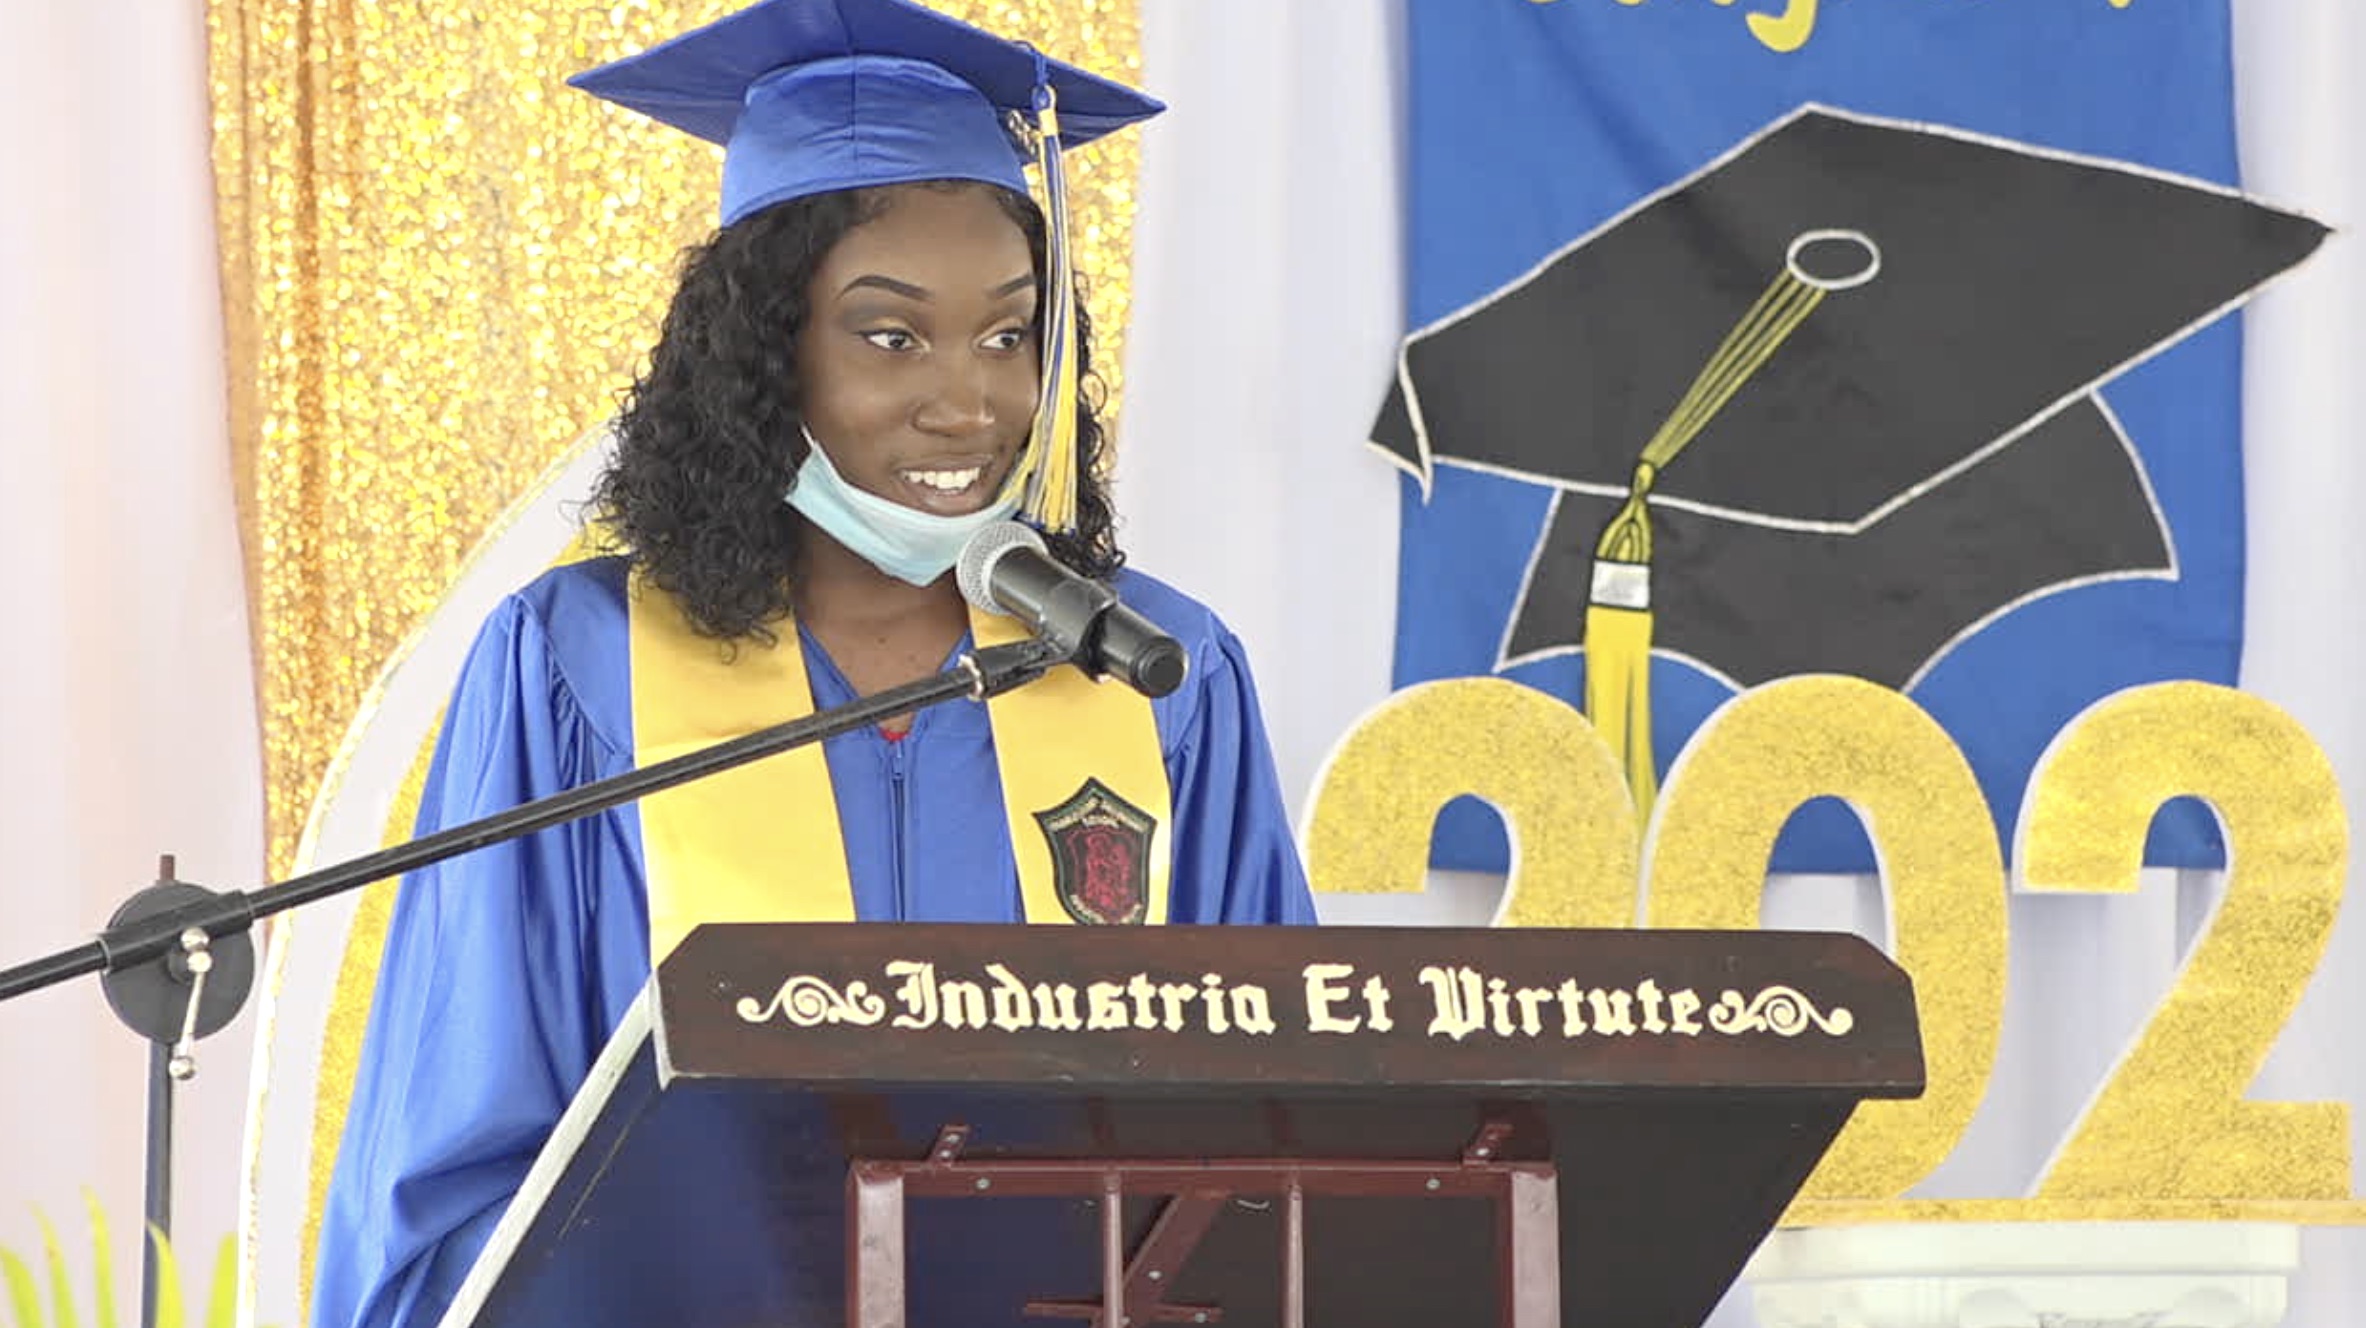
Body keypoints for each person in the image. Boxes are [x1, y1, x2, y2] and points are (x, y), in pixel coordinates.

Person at [307, 2, 1317, 1325]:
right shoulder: (576, 670)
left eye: (1008, 336)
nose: (966, 401)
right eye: (889, 337)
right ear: (762, 357)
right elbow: (462, 1146)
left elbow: (1285, 1132)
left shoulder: (1151, 678)